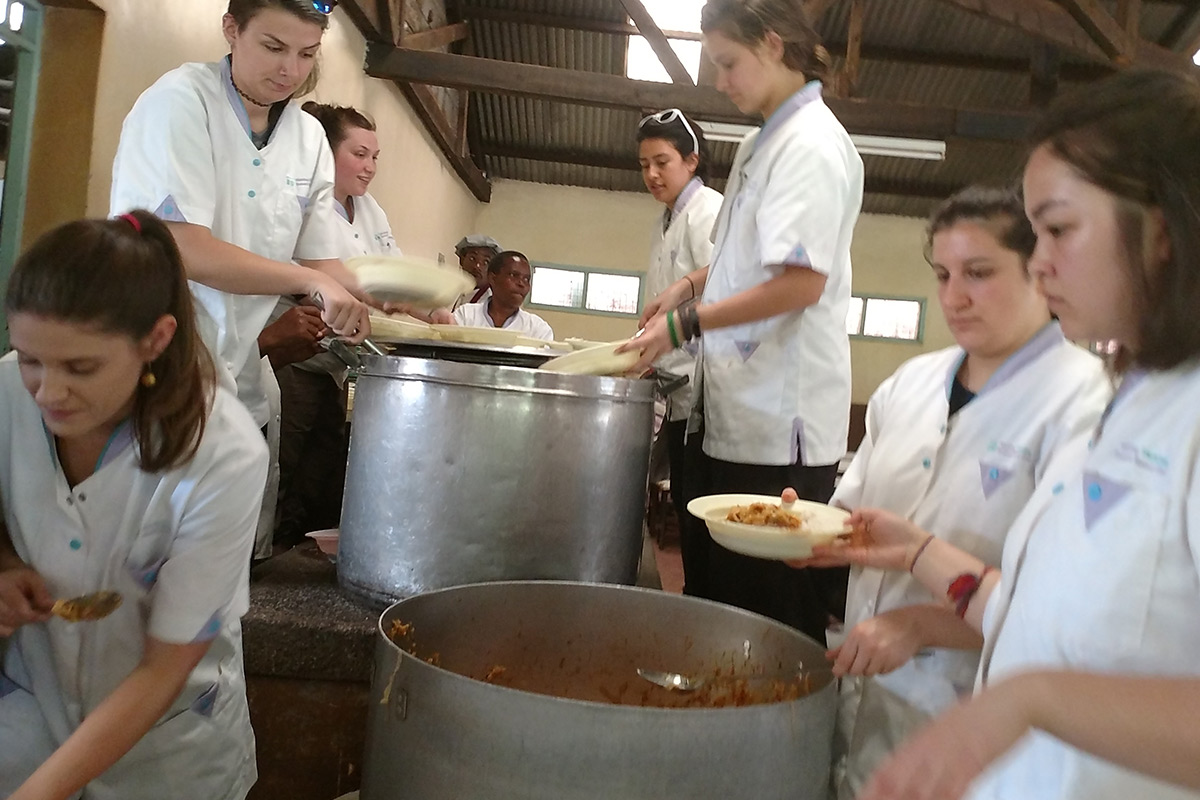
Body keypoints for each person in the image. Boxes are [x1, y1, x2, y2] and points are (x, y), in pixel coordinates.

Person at [802, 69, 1200, 800]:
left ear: (1164, 227)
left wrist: (1031, 699)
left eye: (1058, 228)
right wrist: (919, 552)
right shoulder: (1130, 400)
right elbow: (1034, 616)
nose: (1042, 260)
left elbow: (1047, 670)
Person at [822, 186, 1110, 799]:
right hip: (863, 684)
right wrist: (811, 534)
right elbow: (856, 509)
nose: (954, 297)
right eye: (944, 274)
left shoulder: (1085, 406)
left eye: (979, 274)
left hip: (971, 707)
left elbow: (1072, 611)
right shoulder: (911, 384)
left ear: (1040, 272)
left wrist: (924, 625)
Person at [0, 211, 267, 800]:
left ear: (156, 339)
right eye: (30, 360)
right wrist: (6, 565)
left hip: (166, 748)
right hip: (30, 713)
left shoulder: (222, 452)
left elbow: (162, 670)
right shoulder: (4, 397)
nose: (48, 391)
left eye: (81, 367)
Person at [621, 0, 863, 641]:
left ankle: (780, 731)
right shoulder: (764, 141)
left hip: (781, 422)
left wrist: (685, 324)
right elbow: (745, 265)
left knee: (772, 614)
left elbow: (801, 282)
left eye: (729, 63)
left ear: (774, 45)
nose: (721, 81)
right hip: (740, 409)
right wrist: (688, 285)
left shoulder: (810, 145)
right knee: (731, 600)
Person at [109, 0, 373, 429]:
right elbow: (183, 248)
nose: (290, 69)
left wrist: (392, 292)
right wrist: (314, 282)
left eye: (307, 54)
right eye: (273, 47)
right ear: (231, 29)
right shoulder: (181, 102)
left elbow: (317, 257)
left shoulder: (307, 139)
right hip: (156, 361)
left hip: (240, 377)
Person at [260, 101, 397, 550]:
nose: (369, 166)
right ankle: (265, 562)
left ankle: (294, 557)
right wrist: (387, 297)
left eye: (375, 157)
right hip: (295, 358)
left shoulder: (369, 210)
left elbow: (388, 271)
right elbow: (316, 273)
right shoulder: (300, 200)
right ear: (325, 150)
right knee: (281, 464)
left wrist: (423, 305)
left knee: (318, 472)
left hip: (338, 363)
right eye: (359, 154)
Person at [636, 107, 724, 586]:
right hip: (678, 384)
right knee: (686, 501)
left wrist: (685, 294)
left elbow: (731, 274)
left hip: (707, 388)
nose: (651, 173)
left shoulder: (707, 209)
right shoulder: (666, 220)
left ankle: (701, 599)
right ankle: (693, 594)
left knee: (698, 508)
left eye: (662, 162)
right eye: (644, 163)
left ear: (691, 161)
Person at [452, 251, 554, 340]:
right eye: (514, 275)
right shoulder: (465, 316)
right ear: (492, 278)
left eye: (526, 279)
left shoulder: (538, 329)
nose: (521, 284)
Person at [453, 234, 502, 307]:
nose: (477, 266)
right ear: (462, 260)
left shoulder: (491, 303)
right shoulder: (452, 291)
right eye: (472, 258)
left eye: (486, 262)